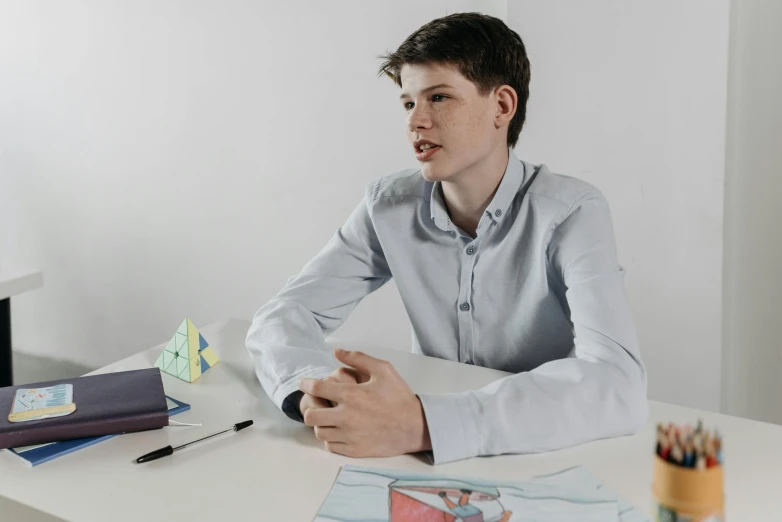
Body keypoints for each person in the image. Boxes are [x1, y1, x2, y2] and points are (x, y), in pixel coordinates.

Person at [246, 12, 648, 465]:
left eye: (438, 97)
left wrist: (421, 423)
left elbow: (617, 384)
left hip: (535, 450)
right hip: (408, 453)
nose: (416, 123)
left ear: (501, 106)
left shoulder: (572, 212)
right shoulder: (388, 205)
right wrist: (315, 395)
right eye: (407, 103)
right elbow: (285, 314)